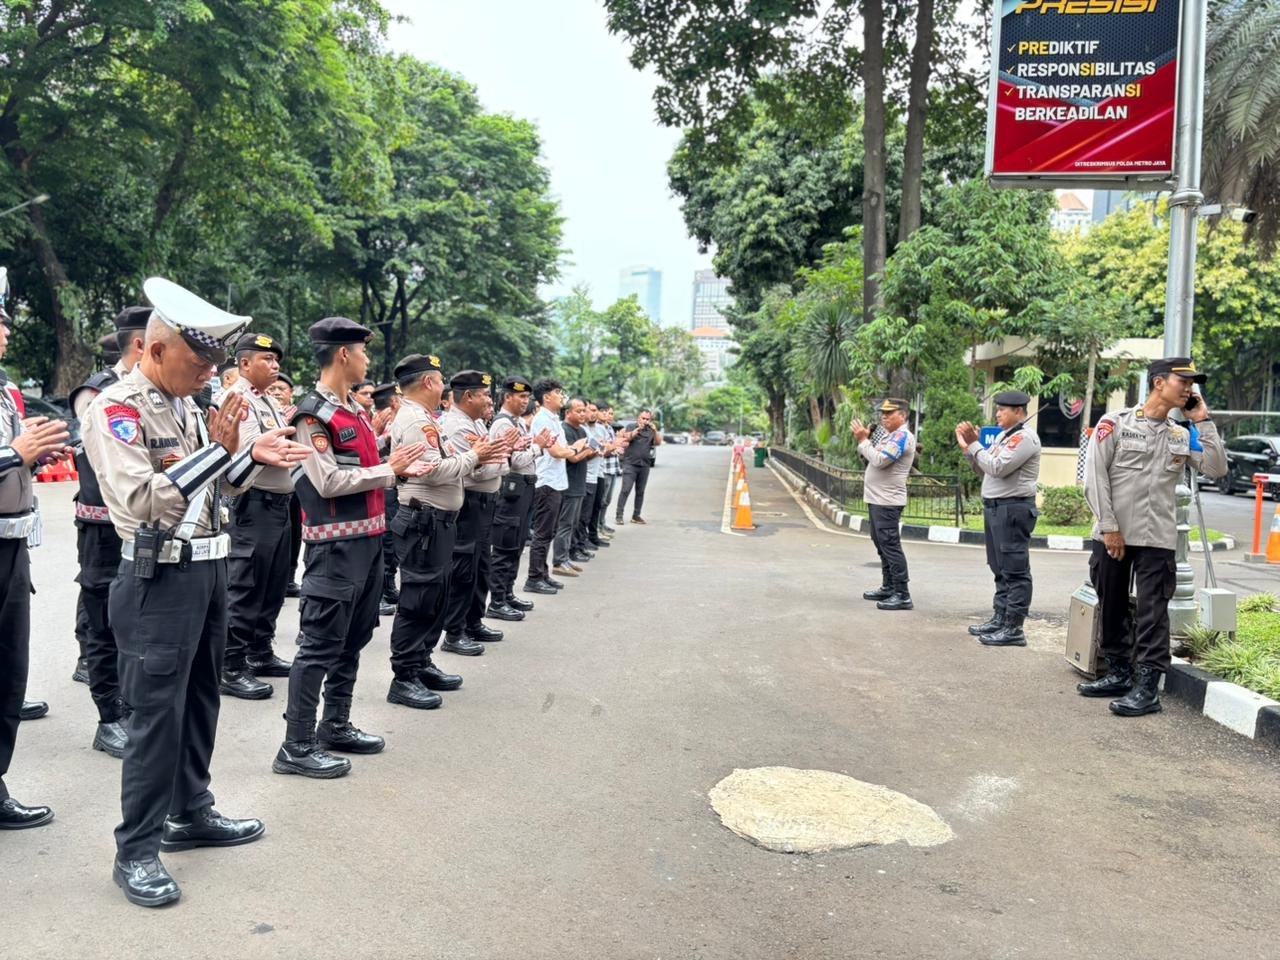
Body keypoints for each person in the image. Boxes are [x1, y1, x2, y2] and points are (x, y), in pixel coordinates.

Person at [83, 277, 313, 907]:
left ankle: (192, 810)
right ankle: (136, 850)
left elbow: (214, 489)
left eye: (214, 361)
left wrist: (247, 455)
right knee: (155, 717)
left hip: (207, 568)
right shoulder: (117, 408)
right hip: (159, 576)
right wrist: (219, 450)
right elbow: (143, 498)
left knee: (201, 701)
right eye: (199, 359)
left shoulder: (185, 402)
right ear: (154, 351)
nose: (209, 372)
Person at [273, 320, 429, 778]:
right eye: (362, 352)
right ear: (343, 355)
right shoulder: (312, 415)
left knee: (354, 638)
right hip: (334, 547)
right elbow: (326, 481)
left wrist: (387, 459)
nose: (367, 360)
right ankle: (296, 743)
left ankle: (334, 724)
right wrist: (388, 470)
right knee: (319, 644)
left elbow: (360, 466)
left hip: (367, 543)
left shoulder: (353, 411)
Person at [1080, 358, 1227, 716]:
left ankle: (1147, 687)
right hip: (1113, 534)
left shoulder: (1180, 433)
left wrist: (1202, 422)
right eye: (1184, 381)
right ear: (1159, 383)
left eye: (1193, 383)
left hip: (1157, 539)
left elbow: (1216, 468)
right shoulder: (1114, 424)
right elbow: (1094, 478)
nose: (1190, 389)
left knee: (1153, 612)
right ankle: (1117, 672)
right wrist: (1110, 528)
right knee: (1111, 602)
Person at [385, 355, 503, 709]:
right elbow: (434, 471)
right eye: (439, 379)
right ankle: (404, 675)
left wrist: (473, 455)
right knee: (419, 599)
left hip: (438, 522)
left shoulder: (427, 420)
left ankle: (421, 661)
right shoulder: (415, 420)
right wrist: (475, 457)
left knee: (436, 596)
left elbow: (445, 458)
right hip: (424, 520)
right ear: (427, 383)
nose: (443, 385)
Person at [65, 307, 150, 756]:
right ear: (141, 343)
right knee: (103, 624)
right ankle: (109, 716)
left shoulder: (159, 393)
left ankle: (132, 707)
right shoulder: (97, 393)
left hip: (141, 525)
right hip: (102, 530)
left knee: (135, 621)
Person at [0, 297, 70, 830]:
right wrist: (15, 455)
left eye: (5, 325)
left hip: (11, 542)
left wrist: (32, 456)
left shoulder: (6, 392)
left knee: (9, 670)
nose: (4, 333)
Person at [220, 332, 297, 700]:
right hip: (253, 502)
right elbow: (243, 454)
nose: (275, 366)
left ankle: (259, 651)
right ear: (245, 363)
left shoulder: (267, 400)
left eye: (277, 361)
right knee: (246, 583)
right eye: (267, 360)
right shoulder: (238, 400)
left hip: (278, 504)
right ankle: (230, 664)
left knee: (274, 581)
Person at [956, 391, 1042, 647]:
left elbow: (997, 467)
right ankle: (1001, 617)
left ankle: (1014, 628)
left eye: (1003, 409)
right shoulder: (1006, 437)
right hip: (997, 508)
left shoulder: (1024, 438)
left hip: (1013, 509)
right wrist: (970, 450)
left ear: (1018, 411)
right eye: (998, 409)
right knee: (999, 567)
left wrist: (975, 445)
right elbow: (985, 469)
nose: (997, 413)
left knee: (1015, 569)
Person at [439, 371, 516, 649]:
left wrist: (499, 458)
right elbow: (472, 472)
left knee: (481, 565)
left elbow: (493, 463)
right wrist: (501, 460)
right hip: (470, 503)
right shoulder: (458, 426)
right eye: (483, 394)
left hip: (485, 503)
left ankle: (473, 621)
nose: (487, 399)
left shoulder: (477, 424)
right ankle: (455, 631)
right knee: (464, 568)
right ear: (468, 396)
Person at [487, 376, 550, 612]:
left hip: (523, 489)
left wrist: (537, 445)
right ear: (507, 397)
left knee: (517, 543)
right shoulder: (503, 424)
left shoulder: (518, 423)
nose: (525, 401)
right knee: (505, 546)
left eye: (527, 397)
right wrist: (538, 446)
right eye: (521, 396)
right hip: (511, 490)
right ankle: (497, 601)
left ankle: (508, 592)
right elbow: (514, 461)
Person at [851, 399, 916, 611]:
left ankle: (902, 594)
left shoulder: (902, 436)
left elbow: (879, 461)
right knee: (881, 544)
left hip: (888, 501)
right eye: (883, 413)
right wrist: (865, 442)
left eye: (890, 413)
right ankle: (888, 587)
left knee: (890, 545)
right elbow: (871, 460)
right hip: (877, 499)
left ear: (903, 416)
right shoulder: (890, 436)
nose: (884, 416)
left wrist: (863, 441)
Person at [525, 379, 584, 593]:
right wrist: (576, 449)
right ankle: (533, 578)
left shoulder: (553, 419)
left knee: (549, 531)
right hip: (546, 482)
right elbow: (558, 452)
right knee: (542, 532)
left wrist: (570, 449)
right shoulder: (542, 419)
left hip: (556, 482)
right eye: (558, 392)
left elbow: (562, 448)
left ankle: (543, 573)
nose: (561, 395)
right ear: (546, 397)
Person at [268, 372, 304, 599]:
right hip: (273, 481)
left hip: (296, 480)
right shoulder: (268, 413)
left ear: (291, 393)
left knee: (295, 531)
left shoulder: (300, 415)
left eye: (282, 389)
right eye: (273, 389)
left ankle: (290, 577)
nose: (277, 392)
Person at [554, 397, 597, 576]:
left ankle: (566, 558)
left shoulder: (581, 431)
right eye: (578, 411)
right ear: (568, 412)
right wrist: (588, 449)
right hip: (569, 484)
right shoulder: (565, 430)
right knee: (565, 524)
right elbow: (573, 457)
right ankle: (558, 561)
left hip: (579, 483)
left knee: (572, 523)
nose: (582, 414)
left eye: (583, 411)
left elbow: (583, 454)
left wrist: (587, 449)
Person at [370, 382, 402, 616]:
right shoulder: (376, 423)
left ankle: (388, 585)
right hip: (382, 488)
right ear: (393, 402)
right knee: (384, 541)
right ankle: (379, 592)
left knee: (392, 543)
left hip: (393, 487)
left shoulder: (398, 421)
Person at [615, 409, 661, 525]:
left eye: (647, 419)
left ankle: (636, 515)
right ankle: (619, 515)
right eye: (643, 418)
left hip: (644, 465)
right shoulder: (631, 426)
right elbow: (628, 438)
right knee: (625, 490)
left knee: (640, 491)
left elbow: (658, 442)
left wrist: (655, 430)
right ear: (638, 418)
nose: (645, 421)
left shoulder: (651, 430)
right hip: (630, 464)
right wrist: (638, 430)